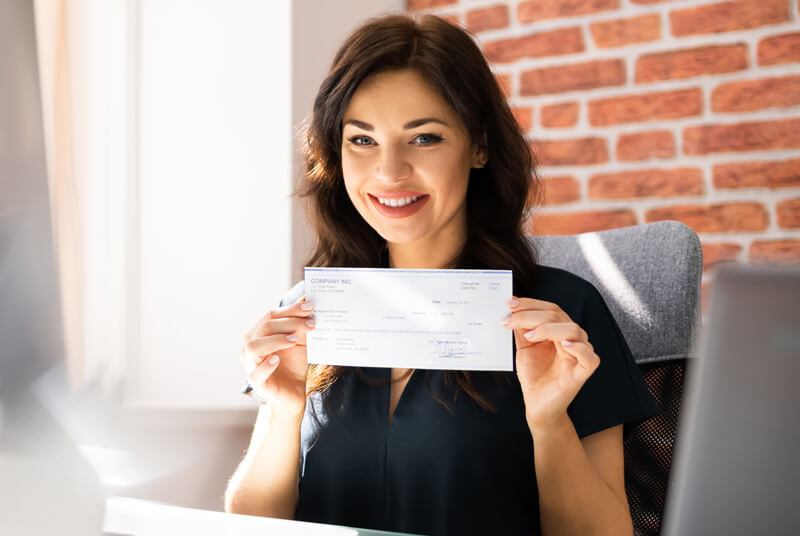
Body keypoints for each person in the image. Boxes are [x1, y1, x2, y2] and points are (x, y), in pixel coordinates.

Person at [225, 13, 657, 536]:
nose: (389, 172)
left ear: (478, 145)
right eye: (362, 141)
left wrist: (549, 423)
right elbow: (252, 528)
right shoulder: (308, 311)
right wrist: (282, 411)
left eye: (424, 138)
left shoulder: (564, 313)